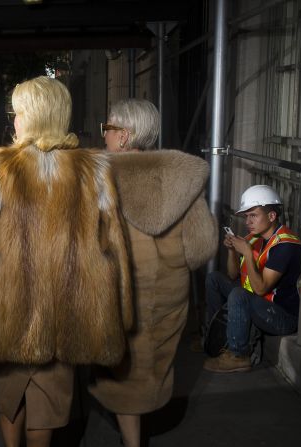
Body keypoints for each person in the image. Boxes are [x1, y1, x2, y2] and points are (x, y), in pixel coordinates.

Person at [0, 76, 134, 447]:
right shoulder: (94, 170)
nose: (14, 121)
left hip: (8, 306)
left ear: (31, 117)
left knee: (9, 392)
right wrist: (123, 310)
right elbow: (114, 244)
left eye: (18, 113)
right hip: (68, 305)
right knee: (53, 396)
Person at [89, 98, 218, 447]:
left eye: (108, 128)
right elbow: (203, 247)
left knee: (123, 375)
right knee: (151, 368)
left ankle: (132, 442)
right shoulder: (180, 177)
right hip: (169, 296)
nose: (104, 136)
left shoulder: (100, 178)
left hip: (121, 295)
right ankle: (139, 432)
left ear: (125, 136)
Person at [203, 185, 301, 373]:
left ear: (272, 216)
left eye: (253, 216)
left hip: (282, 316)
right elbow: (232, 275)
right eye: (246, 216)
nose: (248, 221)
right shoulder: (255, 237)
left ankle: (238, 355)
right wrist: (233, 251)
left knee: (239, 294)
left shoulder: (286, 245)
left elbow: (260, 289)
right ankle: (214, 336)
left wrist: (247, 253)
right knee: (214, 279)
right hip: (258, 303)